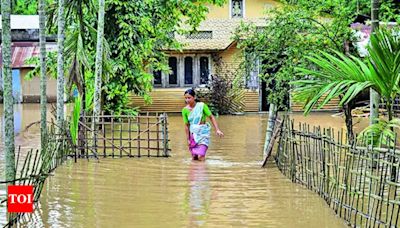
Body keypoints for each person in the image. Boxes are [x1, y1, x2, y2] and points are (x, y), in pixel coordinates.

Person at [182, 89, 224, 161]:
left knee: (201, 156)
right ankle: (194, 171)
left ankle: (202, 171)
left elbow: (211, 117)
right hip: (193, 135)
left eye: (189, 98)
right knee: (194, 157)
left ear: (194, 97)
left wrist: (217, 129)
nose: (187, 100)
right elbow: (186, 125)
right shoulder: (184, 110)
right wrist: (188, 139)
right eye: (186, 98)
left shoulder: (202, 106)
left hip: (203, 134)